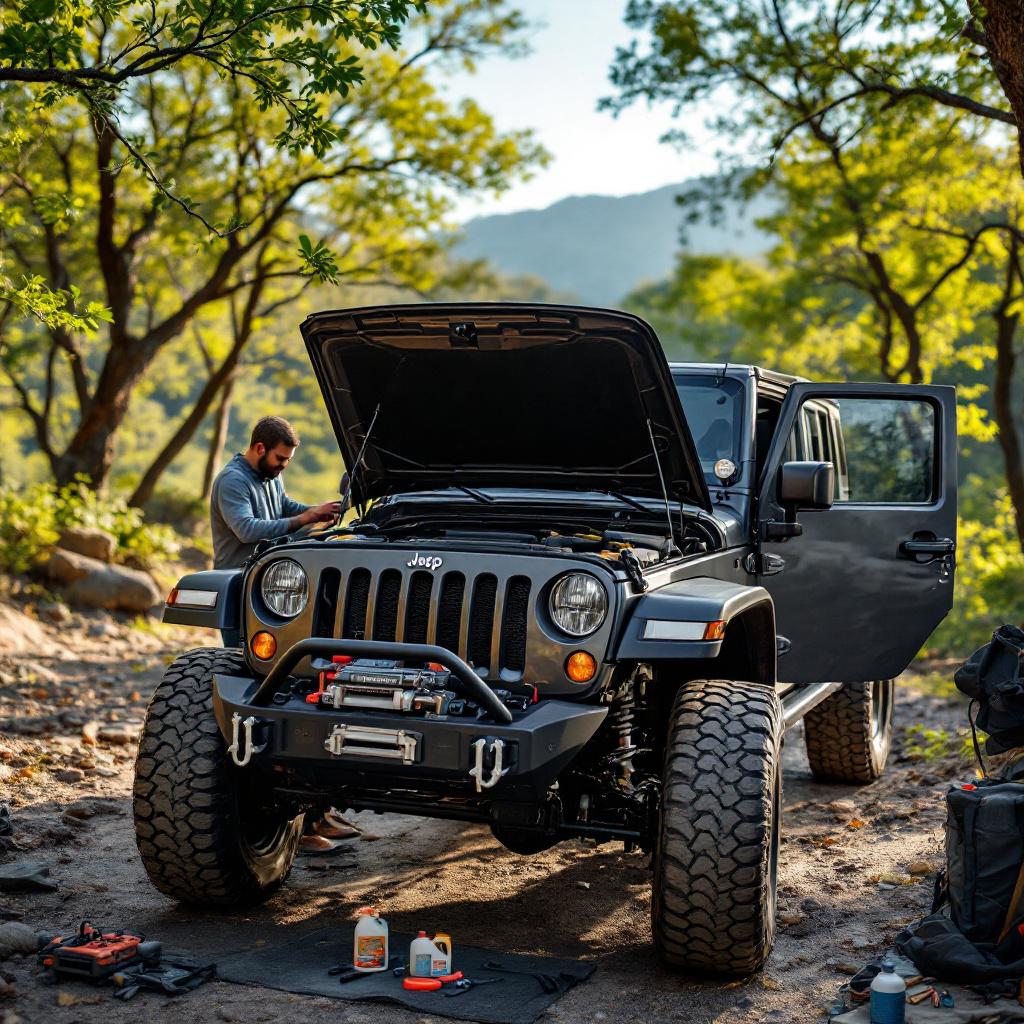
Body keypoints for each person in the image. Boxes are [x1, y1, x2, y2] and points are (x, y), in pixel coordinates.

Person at [210, 414, 357, 852]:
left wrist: (320, 510)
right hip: (241, 596)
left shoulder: (268, 477)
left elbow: (285, 506)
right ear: (259, 448)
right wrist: (304, 519)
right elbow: (249, 528)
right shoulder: (232, 481)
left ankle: (315, 815)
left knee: (300, 687)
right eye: (279, 459)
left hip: (275, 596)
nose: (282, 467)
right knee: (256, 694)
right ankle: (279, 819)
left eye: (288, 461)